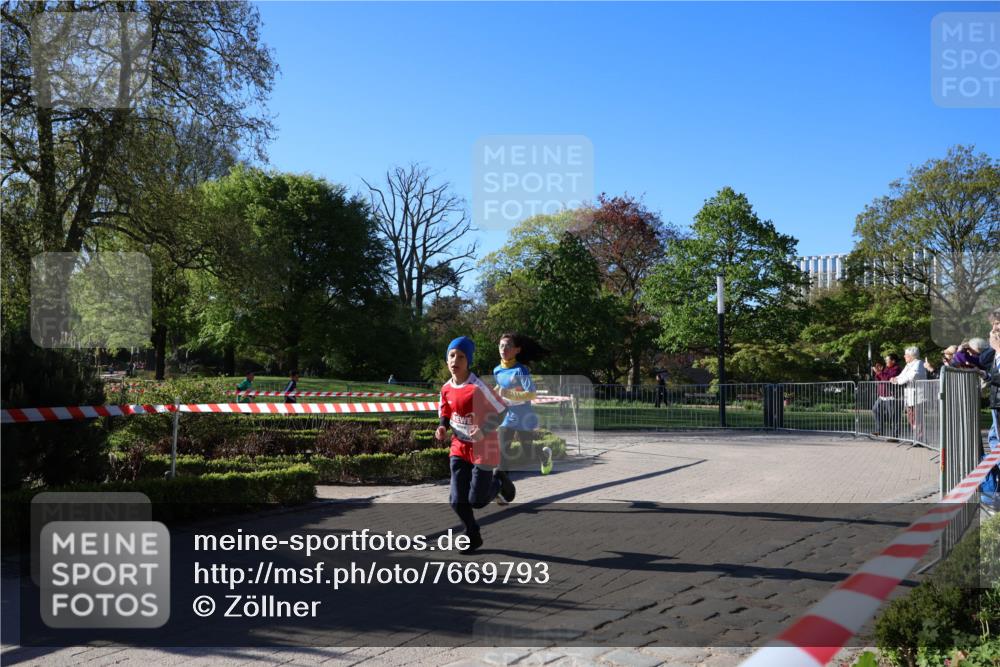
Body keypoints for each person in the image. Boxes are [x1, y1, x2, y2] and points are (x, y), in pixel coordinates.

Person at [436, 336, 515, 553]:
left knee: (477, 501)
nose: (455, 360)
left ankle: (498, 482)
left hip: (483, 447)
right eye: (452, 355)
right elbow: (445, 410)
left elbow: (502, 411)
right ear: (447, 360)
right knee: (456, 500)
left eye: (461, 356)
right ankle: (473, 535)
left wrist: (483, 430)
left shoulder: (478, 387)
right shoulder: (446, 388)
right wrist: (442, 426)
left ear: (468, 361)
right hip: (459, 446)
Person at [493, 333, 550, 484]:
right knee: (502, 451)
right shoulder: (497, 370)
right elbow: (500, 387)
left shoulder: (521, 370)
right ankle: (501, 485)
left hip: (524, 416)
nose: (504, 349)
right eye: (501, 345)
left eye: (508, 346)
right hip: (508, 416)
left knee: (528, 452)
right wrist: (493, 392)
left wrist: (506, 393)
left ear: (517, 350)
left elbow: (531, 394)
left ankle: (544, 455)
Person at [890, 346, 927, 442]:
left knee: (917, 418)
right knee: (911, 418)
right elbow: (902, 375)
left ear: (912, 356)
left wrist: (898, 381)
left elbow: (912, 376)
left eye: (906, 355)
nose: (904, 356)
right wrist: (895, 378)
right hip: (910, 396)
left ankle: (919, 439)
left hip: (918, 396)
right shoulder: (908, 365)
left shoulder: (919, 363)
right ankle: (916, 438)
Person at [872, 357, 901, 437]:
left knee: (893, 416)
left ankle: (895, 436)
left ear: (893, 361)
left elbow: (887, 379)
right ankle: (879, 431)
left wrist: (879, 372)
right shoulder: (886, 368)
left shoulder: (896, 369)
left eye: (887, 360)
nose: (885, 361)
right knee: (875, 410)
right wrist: (878, 372)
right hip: (882, 396)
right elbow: (879, 379)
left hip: (891, 397)